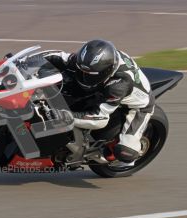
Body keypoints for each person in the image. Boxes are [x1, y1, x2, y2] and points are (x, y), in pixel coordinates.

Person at [45, 39, 155, 167]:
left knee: (126, 152)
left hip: (137, 108)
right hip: (104, 88)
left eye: (90, 75)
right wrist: (23, 62)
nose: (83, 76)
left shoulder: (118, 85)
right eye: (82, 71)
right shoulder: (91, 61)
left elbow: (100, 119)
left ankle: (126, 149)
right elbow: (59, 56)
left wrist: (66, 116)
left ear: (106, 71)